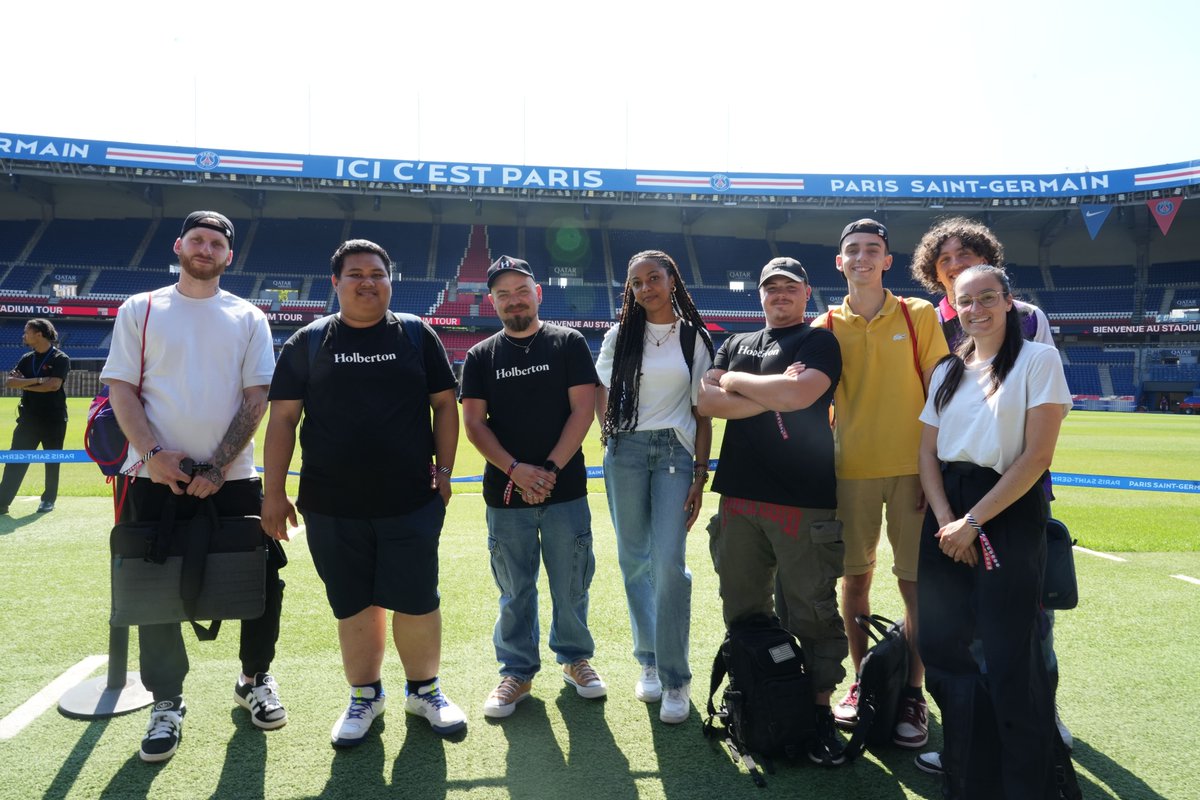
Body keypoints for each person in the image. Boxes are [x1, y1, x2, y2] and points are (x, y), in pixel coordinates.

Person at [261, 238, 466, 746]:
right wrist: (272, 493)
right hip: (331, 505)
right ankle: (364, 697)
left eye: (377, 273)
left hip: (411, 500)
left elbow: (444, 405)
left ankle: (424, 692)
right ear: (336, 282)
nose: (367, 282)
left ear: (390, 280)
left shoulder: (418, 335)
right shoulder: (306, 342)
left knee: (417, 601)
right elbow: (283, 420)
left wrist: (444, 471)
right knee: (353, 604)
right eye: (355, 274)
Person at [101, 211, 286, 763]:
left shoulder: (249, 316)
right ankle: (167, 702)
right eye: (198, 240)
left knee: (262, 581)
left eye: (217, 243)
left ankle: (255, 678)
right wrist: (155, 456)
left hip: (232, 480)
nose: (206, 249)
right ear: (180, 246)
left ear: (230, 256)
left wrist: (215, 468)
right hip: (153, 477)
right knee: (151, 589)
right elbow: (122, 391)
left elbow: (257, 399)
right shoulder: (143, 307)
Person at [910, 217, 1071, 775]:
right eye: (964, 300)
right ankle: (968, 764)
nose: (975, 308)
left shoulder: (1037, 360)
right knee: (942, 646)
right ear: (951, 306)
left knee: (1008, 653)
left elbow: (1036, 457)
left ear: (1007, 301)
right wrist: (947, 518)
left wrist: (972, 523)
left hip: (1002, 510)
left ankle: (1024, 774)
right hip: (946, 511)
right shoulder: (948, 370)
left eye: (986, 297)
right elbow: (927, 453)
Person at [697, 257, 849, 766]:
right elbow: (707, 403)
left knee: (810, 608)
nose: (779, 295)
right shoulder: (737, 343)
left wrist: (738, 384)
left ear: (806, 293)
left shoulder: (818, 341)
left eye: (789, 287)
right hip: (739, 494)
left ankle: (819, 710)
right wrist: (770, 392)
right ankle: (755, 694)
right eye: (771, 288)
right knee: (742, 603)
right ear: (759, 295)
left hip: (804, 498)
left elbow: (800, 392)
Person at [811, 220, 949, 749]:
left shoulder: (917, 314)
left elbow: (941, 391)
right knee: (856, 582)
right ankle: (863, 679)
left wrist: (933, 467)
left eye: (873, 250)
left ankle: (912, 690)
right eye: (853, 251)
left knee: (915, 586)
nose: (863, 257)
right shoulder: (824, 324)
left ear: (888, 261)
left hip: (914, 471)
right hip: (849, 473)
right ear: (839, 262)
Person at [460, 255, 605, 719]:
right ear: (492, 302)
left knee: (571, 584)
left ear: (537, 293)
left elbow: (582, 411)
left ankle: (575, 659)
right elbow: (474, 424)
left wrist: (547, 470)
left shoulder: (569, 343)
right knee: (514, 589)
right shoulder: (481, 355)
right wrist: (516, 470)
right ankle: (517, 672)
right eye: (503, 294)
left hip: (565, 490)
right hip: (506, 494)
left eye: (521, 290)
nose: (513, 300)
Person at [595, 249, 714, 724]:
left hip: (674, 455)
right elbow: (600, 390)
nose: (646, 288)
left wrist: (700, 475)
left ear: (671, 280)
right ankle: (647, 659)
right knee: (633, 561)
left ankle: (676, 678)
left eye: (654, 278)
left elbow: (703, 411)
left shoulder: (693, 337)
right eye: (637, 282)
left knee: (668, 564)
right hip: (624, 452)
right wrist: (611, 434)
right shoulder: (618, 336)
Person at [0, 318, 71, 515]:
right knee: (15, 460)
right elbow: (10, 383)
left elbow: (53, 386)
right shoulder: (26, 358)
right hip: (28, 420)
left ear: (39, 334)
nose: (24, 335)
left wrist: (26, 383)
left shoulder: (60, 358)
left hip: (53, 420)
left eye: (27, 331)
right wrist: (39, 380)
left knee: (52, 461)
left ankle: (48, 500)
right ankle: (2, 502)